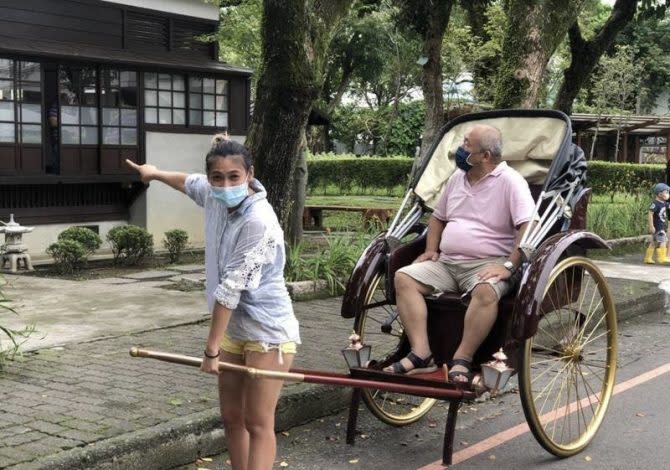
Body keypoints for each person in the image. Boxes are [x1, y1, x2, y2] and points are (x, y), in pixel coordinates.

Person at [125, 135, 300, 470]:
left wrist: (211, 351)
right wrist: (154, 172)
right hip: (235, 329)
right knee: (232, 419)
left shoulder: (258, 220)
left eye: (234, 177)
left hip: (269, 332)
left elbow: (229, 291)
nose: (225, 184)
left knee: (257, 422)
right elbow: (187, 183)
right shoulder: (215, 196)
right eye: (217, 178)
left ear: (249, 174)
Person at [383, 124, 535, 386]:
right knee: (403, 277)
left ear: (485, 156)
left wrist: (509, 265)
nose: (460, 151)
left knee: (487, 290)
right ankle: (421, 353)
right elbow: (438, 219)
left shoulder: (510, 181)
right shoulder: (456, 179)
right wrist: (431, 250)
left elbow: (529, 225)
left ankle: (462, 358)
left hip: (488, 264)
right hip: (447, 262)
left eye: (466, 146)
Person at [644, 182, 670, 264]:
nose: (668, 194)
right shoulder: (655, 204)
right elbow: (650, 214)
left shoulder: (664, 203)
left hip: (660, 226)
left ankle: (648, 258)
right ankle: (662, 257)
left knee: (653, 243)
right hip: (658, 227)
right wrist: (651, 226)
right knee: (664, 241)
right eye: (666, 192)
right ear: (660, 194)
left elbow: (668, 205)